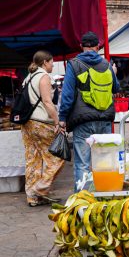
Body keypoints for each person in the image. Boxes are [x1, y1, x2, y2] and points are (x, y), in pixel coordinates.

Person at [58, 32, 120, 191]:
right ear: (98, 47)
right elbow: (116, 88)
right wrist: (114, 72)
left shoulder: (74, 64)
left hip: (83, 120)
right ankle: (105, 195)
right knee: (104, 161)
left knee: (82, 164)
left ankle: (82, 201)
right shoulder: (107, 64)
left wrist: (62, 117)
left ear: (81, 46)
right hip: (105, 119)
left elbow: (67, 94)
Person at [21, 51, 64, 207]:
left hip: (27, 123)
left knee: (33, 159)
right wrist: (57, 121)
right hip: (40, 122)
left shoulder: (28, 78)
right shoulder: (44, 77)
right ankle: (41, 188)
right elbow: (47, 101)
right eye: (52, 62)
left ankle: (32, 196)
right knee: (57, 156)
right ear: (45, 62)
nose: (53, 65)